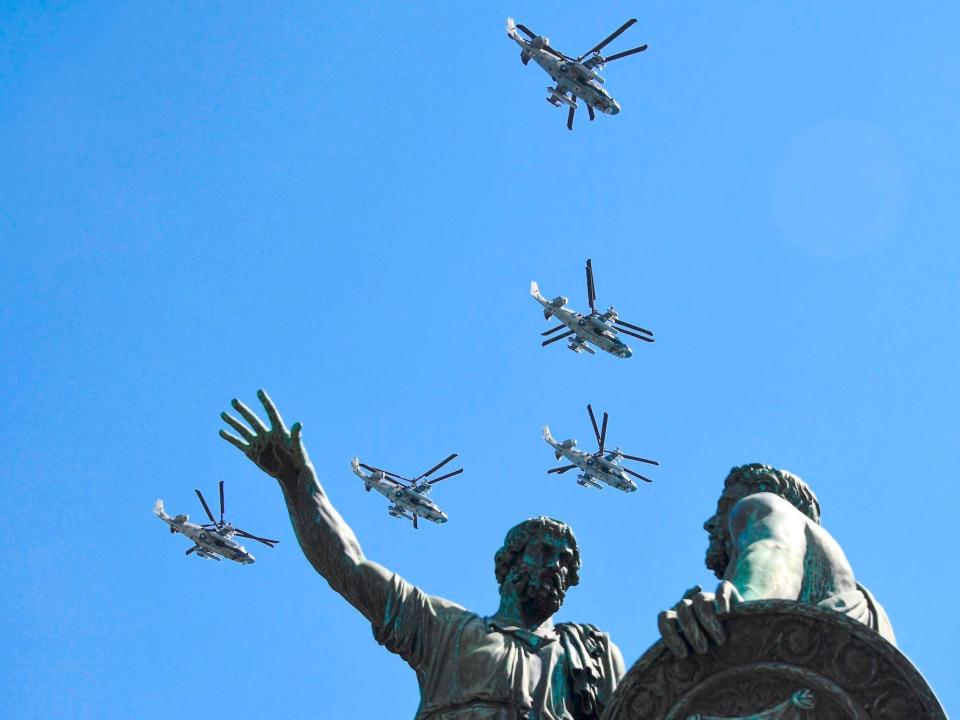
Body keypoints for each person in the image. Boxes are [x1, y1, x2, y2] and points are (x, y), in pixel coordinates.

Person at [219, 390, 625, 719]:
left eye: (565, 563)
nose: (556, 566)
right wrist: (296, 483)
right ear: (510, 564)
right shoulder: (446, 631)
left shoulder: (590, 653)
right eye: (544, 552)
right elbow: (349, 566)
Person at [658, 463, 895, 659]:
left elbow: (775, 552)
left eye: (726, 506)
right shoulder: (864, 607)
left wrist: (740, 608)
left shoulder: (765, 505)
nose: (710, 523)